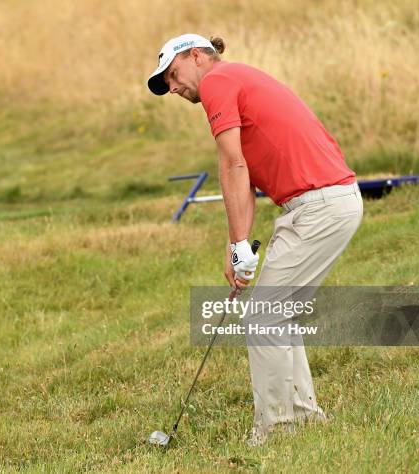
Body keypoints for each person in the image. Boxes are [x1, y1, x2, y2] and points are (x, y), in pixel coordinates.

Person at [147, 33, 363, 445]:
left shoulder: (217, 83)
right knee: (277, 313)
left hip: (320, 207)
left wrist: (241, 245)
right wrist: (236, 246)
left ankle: (277, 430)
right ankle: (304, 418)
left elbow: (232, 163)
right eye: (167, 84)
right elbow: (241, 181)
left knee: (265, 315)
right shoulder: (233, 81)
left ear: (197, 56)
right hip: (319, 205)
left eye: (173, 75)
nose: (173, 88)